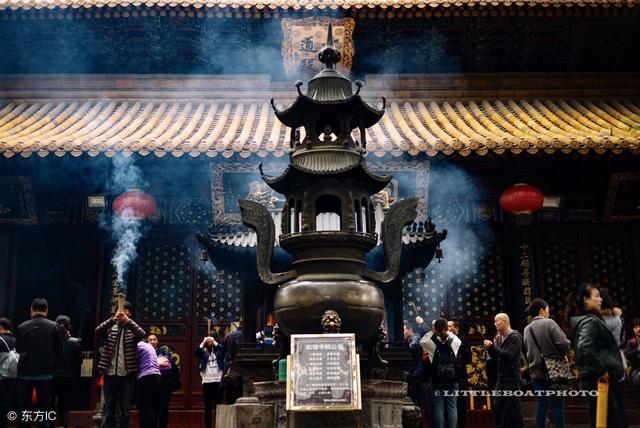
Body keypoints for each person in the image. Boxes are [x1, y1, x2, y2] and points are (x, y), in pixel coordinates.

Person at [566, 282, 625, 428]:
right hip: (596, 381)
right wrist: (602, 370)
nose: (601, 300)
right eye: (597, 296)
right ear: (586, 299)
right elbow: (585, 349)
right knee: (607, 422)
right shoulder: (590, 322)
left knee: (601, 421)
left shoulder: (587, 320)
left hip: (593, 380)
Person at [95, 301, 146, 428]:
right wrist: (112, 320)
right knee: (109, 408)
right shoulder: (111, 328)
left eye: (125, 310)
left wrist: (128, 321)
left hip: (127, 376)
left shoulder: (132, 329)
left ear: (129, 313)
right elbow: (97, 330)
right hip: (110, 374)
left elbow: (142, 334)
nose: (122, 312)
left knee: (125, 410)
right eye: (119, 310)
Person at [15, 299, 63, 428]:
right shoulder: (54, 326)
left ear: (31, 309)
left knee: (24, 406)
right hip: (45, 373)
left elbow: (18, 349)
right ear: (46, 310)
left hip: (24, 372)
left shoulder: (21, 327)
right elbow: (59, 349)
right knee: (43, 406)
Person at [523, 298, 571, 428]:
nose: (548, 314)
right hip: (554, 371)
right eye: (547, 310)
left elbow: (528, 351)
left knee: (541, 405)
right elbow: (564, 344)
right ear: (541, 310)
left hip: (536, 373)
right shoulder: (549, 323)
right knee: (557, 406)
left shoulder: (527, 329)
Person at [483, 313, 524, 428]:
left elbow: (508, 355)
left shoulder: (515, 337)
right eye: (495, 321)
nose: (495, 324)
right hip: (500, 378)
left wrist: (492, 347)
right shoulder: (499, 337)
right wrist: (490, 349)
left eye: (497, 321)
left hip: (512, 378)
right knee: (497, 406)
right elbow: (497, 357)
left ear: (505, 322)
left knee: (514, 408)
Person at [420, 318, 461, 428]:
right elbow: (453, 337)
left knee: (439, 407)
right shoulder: (456, 341)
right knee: (452, 406)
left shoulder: (430, 343)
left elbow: (422, 341)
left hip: (437, 379)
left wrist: (431, 331)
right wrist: (447, 331)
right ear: (447, 327)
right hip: (453, 379)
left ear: (435, 329)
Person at [599, 289, 629, 428]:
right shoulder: (618, 319)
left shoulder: (596, 321)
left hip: (602, 363)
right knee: (620, 401)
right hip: (618, 359)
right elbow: (622, 340)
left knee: (604, 403)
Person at [51, 315, 82, 428]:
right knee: (65, 405)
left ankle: (49, 424)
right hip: (68, 377)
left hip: (52, 376)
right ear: (69, 327)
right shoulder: (75, 342)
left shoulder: (51, 341)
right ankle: (63, 425)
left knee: (50, 403)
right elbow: (78, 363)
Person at [148, 334, 180, 428]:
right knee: (152, 409)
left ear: (157, 341)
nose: (153, 341)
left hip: (164, 383)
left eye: (155, 339)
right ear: (148, 342)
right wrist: (158, 363)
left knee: (163, 408)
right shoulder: (145, 353)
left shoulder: (164, 351)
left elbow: (168, 364)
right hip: (151, 384)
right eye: (151, 340)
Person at [195, 335, 224, 428]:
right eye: (208, 341)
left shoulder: (219, 349)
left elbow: (224, 351)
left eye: (211, 340)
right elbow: (196, 353)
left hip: (218, 380)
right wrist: (203, 342)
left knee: (218, 407)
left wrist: (214, 342)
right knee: (207, 408)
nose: (209, 342)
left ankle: (218, 425)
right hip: (207, 381)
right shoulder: (204, 351)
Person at [448, 319, 471, 428]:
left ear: (456, 328)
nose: (447, 328)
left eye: (450, 326)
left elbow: (468, 359)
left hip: (460, 376)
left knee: (461, 404)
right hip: (449, 377)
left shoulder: (463, 340)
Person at [136, 337, 161, 428]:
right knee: (149, 406)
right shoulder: (147, 346)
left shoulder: (138, 345)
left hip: (146, 377)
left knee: (142, 406)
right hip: (156, 376)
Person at [0, 317, 17, 428]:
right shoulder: (17, 340)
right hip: (13, 377)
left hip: (1, 377)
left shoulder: (0, 340)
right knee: (5, 405)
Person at [222, 319, 243, 404]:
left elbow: (224, 352)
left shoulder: (229, 335)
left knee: (230, 398)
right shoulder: (248, 335)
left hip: (230, 370)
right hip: (242, 369)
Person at [403, 322, 423, 406]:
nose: (403, 332)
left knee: (415, 397)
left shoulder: (416, 338)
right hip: (413, 371)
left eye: (404, 330)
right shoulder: (411, 339)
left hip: (415, 372)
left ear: (410, 330)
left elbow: (413, 346)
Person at [623, 318, 640, 406]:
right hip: (637, 369)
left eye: (639, 327)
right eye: (636, 327)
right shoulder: (631, 342)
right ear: (633, 329)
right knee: (638, 380)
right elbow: (627, 354)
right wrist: (637, 350)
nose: (638, 329)